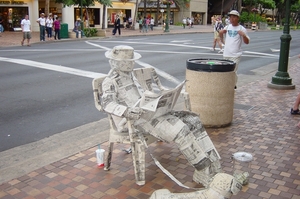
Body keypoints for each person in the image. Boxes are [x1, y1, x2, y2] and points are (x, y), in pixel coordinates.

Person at [101, 45, 223, 187]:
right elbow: (106, 103)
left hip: (152, 113)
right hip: (137, 120)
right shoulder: (110, 81)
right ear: (116, 63)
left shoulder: (131, 75)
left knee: (193, 120)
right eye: (128, 61)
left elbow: (144, 95)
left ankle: (214, 163)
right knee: (180, 130)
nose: (132, 63)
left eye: (132, 60)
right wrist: (127, 111)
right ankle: (202, 171)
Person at [219, 10, 250, 87]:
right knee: (226, 71)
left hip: (235, 54)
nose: (231, 19)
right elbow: (221, 35)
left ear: (237, 18)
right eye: (230, 17)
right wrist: (221, 35)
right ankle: (228, 85)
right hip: (226, 53)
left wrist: (243, 35)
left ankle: (233, 85)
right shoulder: (228, 27)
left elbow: (247, 42)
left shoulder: (241, 29)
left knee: (233, 71)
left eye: (233, 17)